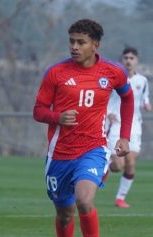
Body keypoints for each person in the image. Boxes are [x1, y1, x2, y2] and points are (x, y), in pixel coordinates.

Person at [33, 19, 134, 237]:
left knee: (84, 201)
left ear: (95, 44)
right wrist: (57, 117)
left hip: (93, 149)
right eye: (71, 41)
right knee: (65, 213)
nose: (74, 47)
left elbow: (128, 98)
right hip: (59, 154)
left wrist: (124, 137)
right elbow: (38, 111)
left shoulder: (112, 72)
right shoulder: (56, 73)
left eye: (81, 42)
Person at [106, 47, 152, 208]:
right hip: (116, 125)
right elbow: (103, 100)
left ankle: (120, 198)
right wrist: (109, 113)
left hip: (134, 126)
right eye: (126, 57)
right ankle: (101, 171)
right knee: (118, 166)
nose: (128, 60)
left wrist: (147, 105)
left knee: (130, 163)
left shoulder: (142, 81)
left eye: (132, 58)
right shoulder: (114, 79)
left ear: (136, 60)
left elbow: (144, 100)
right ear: (121, 60)